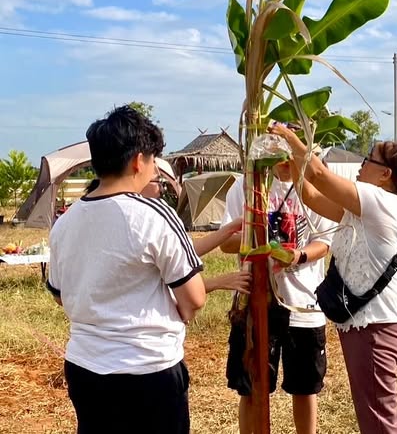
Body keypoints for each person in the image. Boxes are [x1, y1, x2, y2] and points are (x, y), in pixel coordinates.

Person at [48, 106, 206, 434]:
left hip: (85, 367)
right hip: (149, 371)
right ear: (138, 161)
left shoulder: (65, 222)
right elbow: (194, 299)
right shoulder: (154, 215)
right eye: (152, 161)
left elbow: (61, 295)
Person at [269, 123, 397, 434]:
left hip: (375, 328)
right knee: (371, 412)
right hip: (364, 326)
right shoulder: (361, 208)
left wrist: (292, 137)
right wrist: (295, 157)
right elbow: (310, 194)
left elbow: (320, 176)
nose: (361, 165)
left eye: (368, 160)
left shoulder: (381, 201)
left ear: (385, 174)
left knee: (379, 416)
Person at [220, 160, 335, 434]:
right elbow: (226, 242)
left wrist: (299, 255)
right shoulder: (247, 184)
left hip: (303, 303)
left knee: (305, 388)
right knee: (250, 388)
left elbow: (325, 241)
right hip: (255, 301)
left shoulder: (314, 187)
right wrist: (260, 242)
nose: (286, 160)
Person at [86, 173, 250, 294]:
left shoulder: (92, 220)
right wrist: (218, 282)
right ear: (134, 175)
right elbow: (183, 293)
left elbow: (182, 251)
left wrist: (230, 228)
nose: (162, 188)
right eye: (157, 181)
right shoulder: (151, 219)